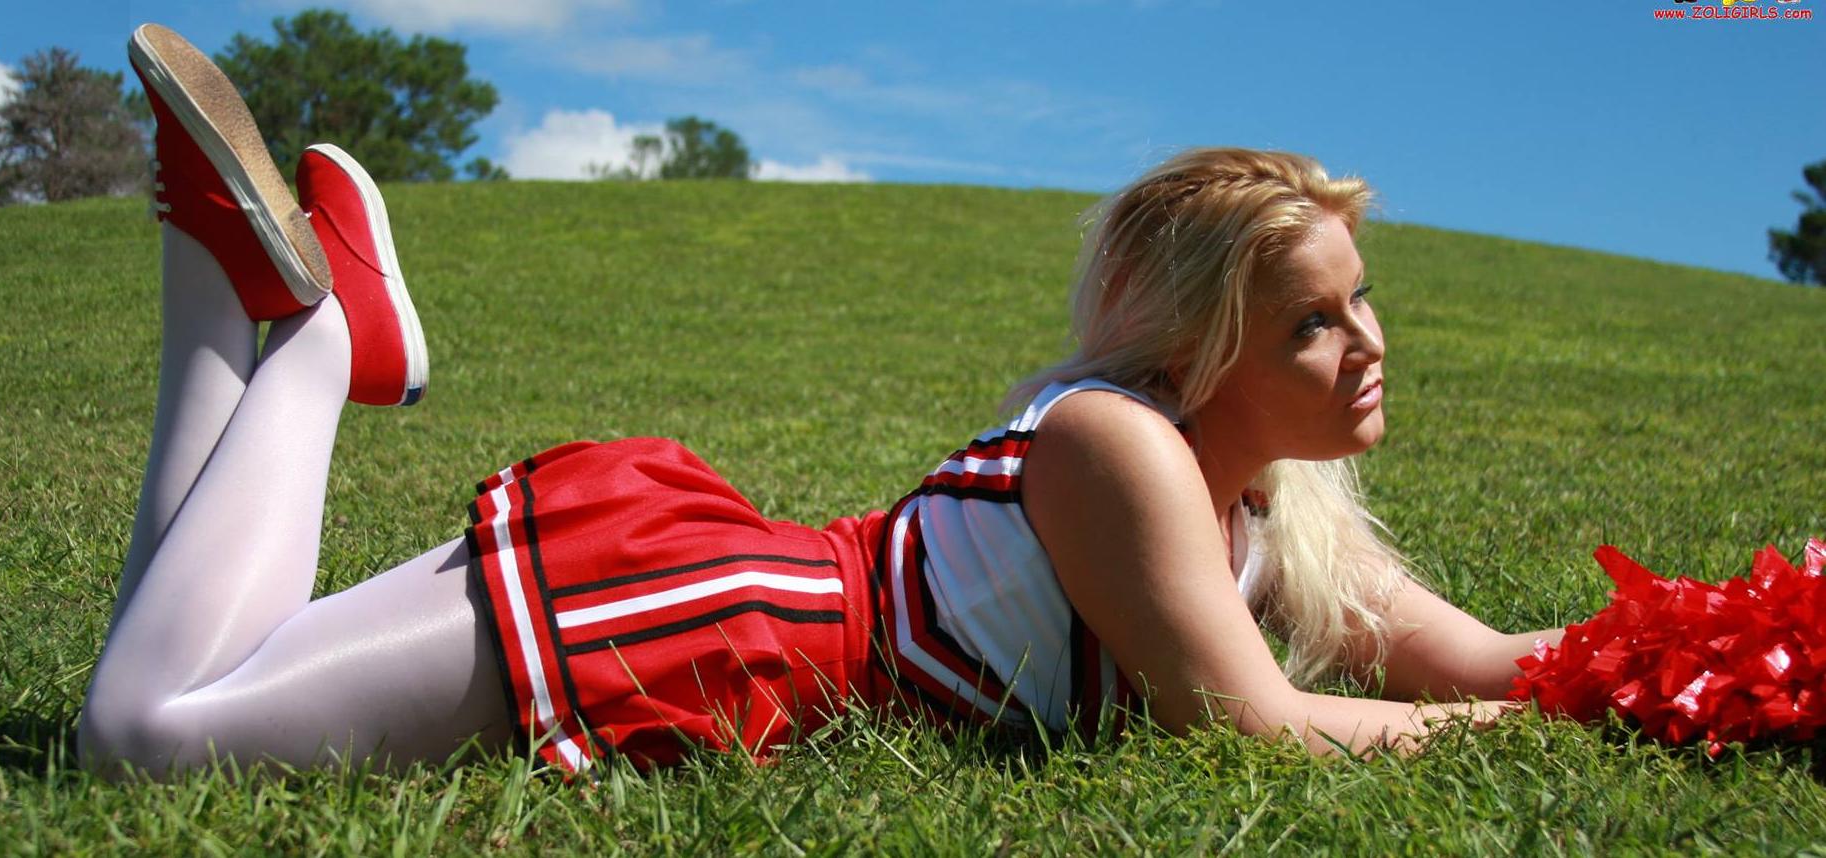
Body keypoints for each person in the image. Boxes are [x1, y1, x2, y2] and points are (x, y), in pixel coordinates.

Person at [79, 24, 1568, 780]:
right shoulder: (1120, 441)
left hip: (726, 616)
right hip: (720, 619)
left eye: (1361, 297)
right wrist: (1515, 731)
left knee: (187, 663)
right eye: (1315, 319)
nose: (1368, 340)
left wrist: (1738, 646)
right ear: (1196, 349)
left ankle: (218, 272)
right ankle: (335, 338)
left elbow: (1487, 661)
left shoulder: (1282, 516)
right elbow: (1257, 724)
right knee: (143, 734)